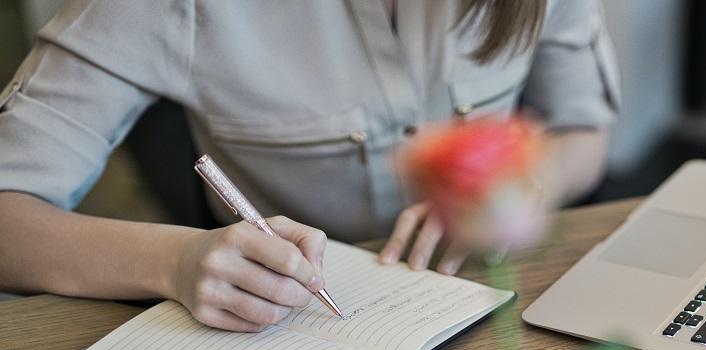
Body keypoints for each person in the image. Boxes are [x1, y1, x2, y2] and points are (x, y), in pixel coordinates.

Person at [0, 0, 620, 332]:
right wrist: (176, 260)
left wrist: (527, 188)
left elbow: (584, 132)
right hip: (282, 329)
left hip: (494, 306)